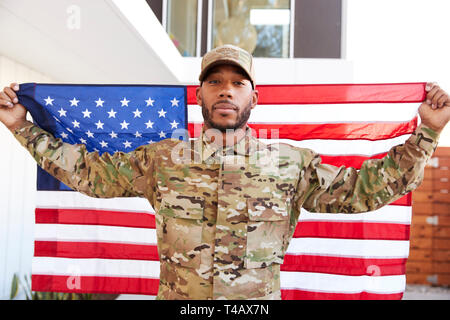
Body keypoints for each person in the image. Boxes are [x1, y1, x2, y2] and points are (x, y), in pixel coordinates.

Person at [1, 45, 449, 300]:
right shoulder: (162, 159)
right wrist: (22, 126)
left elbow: (363, 192)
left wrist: (426, 133)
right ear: (199, 95)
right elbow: (90, 174)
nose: (226, 91)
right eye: (215, 82)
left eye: (238, 83)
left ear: (254, 98)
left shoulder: (290, 163)